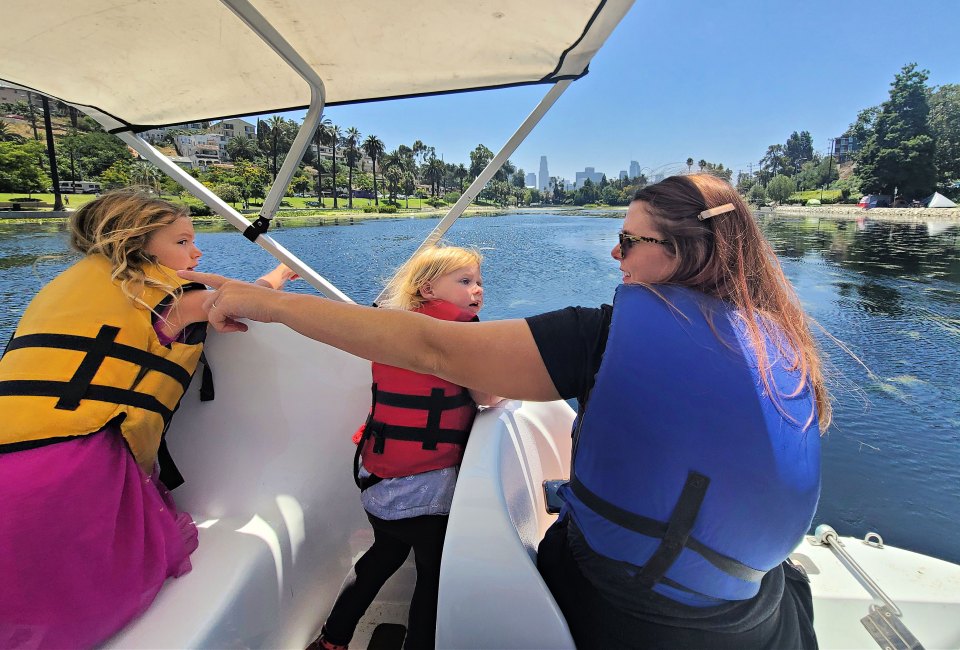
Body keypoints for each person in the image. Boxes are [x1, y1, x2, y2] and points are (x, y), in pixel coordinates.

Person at [183, 173, 829, 649]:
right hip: (757, 617)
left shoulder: (599, 338)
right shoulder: (783, 345)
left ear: (684, 253)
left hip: (619, 617)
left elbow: (431, 347)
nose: (615, 255)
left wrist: (268, 304)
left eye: (629, 240)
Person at [0, 190, 296, 649]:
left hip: (12, 454)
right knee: (81, 602)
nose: (196, 252)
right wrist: (278, 278)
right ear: (135, 244)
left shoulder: (67, 286)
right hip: (77, 463)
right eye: (181, 241)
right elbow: (237, 302)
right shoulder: (170, 294)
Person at [310, 245, 500, 650]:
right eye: (465, 281)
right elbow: (486, 397)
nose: (478, 290)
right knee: (432, 577)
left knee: (381, 559)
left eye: (479, 282)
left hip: (377, 478)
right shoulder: (457, 336)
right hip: (426, 491)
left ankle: (332, 640)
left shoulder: (394, 328)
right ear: (427, 288)